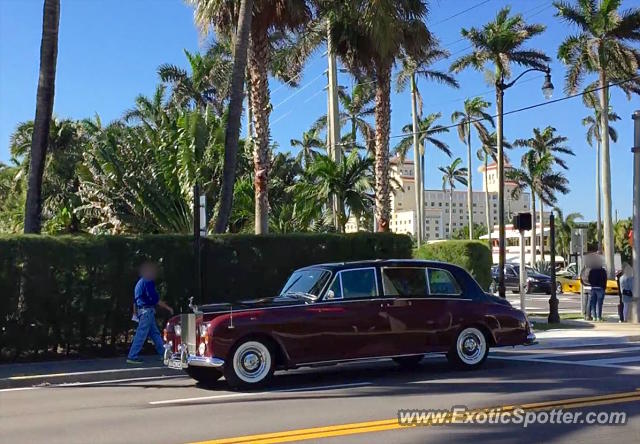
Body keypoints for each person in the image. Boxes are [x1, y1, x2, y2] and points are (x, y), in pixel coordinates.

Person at [127, 261, 174, 364]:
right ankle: (132, 356)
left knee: (154, 333)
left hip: (142, 311)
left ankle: (164, 354)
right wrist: (168, 307)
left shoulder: (139, 283)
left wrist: (135, 313)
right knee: (141, 334)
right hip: (147, 311)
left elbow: (135, 300)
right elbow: (154, 299)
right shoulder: (148, 282)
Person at [582, 255, 608, 322]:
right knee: (599, 304)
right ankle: (599, 317)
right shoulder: (603, 271)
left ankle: (594, 317)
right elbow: (605, 280)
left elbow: (590, 279)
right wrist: (604, 287)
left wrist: (592, 284)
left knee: (593, 303)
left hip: (593, 288)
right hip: (600, 288)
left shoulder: (592, 271)